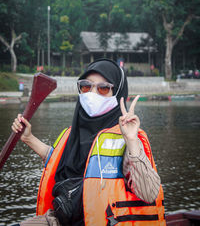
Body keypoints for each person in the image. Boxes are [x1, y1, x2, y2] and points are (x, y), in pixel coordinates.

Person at [12, 58, 165, 226]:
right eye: (86, 86)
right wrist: (28, 138)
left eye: (103, 88)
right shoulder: (73, 133)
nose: (92, 93)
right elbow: (57, 159)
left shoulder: (126, 138)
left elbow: (149, 193)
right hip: (60, 219)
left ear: (118, 92)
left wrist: (131, 140)